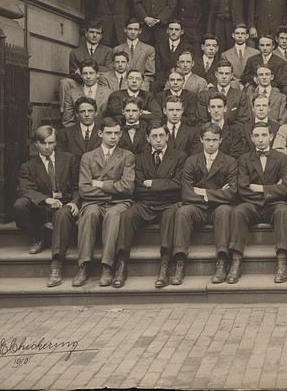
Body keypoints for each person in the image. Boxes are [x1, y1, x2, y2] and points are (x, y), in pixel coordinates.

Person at [112, 122, 186, 289]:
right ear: (147, 138)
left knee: (170, 216)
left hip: (169, 203)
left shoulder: (179, 156)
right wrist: (163, 185)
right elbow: (137, 187)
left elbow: (178, 185)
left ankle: (165, 264)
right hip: (145, 203)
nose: (158, 140)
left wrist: (151, 183)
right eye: (154, 136)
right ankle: (121, 263)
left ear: (167, 136)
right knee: (127, 215)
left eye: (161, 136)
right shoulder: (140, 158)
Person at [172, 123, 239, 285]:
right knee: (182, 212)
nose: (211, 144)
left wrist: (203, 192)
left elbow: (232, 193)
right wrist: (218, 193)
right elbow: (186, 193)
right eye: (207, 139)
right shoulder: (191, 161)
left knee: (225, 211)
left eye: (214, 140)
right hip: (197, 208)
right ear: (201, 139)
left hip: (218, 208)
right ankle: (180, 261)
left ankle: (222, 260)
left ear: (220, 140)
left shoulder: (229, 162)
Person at [14, 126, 80, 287]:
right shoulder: (28, 166)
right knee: (20, 204)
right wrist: (45, 199)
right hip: (42, 208)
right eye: (43, 143)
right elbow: (25, 189)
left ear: (56, 142)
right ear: (35, 144)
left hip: (65, 204)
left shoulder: (69, 159)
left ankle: (56, 265)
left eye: (51, 142)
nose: (47, 147)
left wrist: (75, 202)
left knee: (63, 214)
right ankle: (39, 237)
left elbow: (79, 186)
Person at [227, 123, 287, 284]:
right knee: (238, 211)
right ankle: (236, 261)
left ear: (271, 137)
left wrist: (259, 188)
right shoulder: (244, 159)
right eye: (256, 136)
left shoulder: (282, 158)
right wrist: (271, 190)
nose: (260, 139)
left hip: (275, 205)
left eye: (264, 135)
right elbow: (242, 188)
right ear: (251, 138)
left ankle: (282, 261)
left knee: (283, 212)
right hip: (252, 204)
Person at [73, 118, 135, 287]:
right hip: (96, 202)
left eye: (116, 133)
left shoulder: (127, 156)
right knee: (90, 213)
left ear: (121, 134)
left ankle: (107, 266)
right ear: (100, 133)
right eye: (109, 133)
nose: (113, 137)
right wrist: (112, 191)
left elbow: (127, 187)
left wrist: (100, 184)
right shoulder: (88, 157)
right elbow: (84, 189)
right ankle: (83, 265)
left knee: (113, 215)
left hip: (119, 203)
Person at [60, 22, 114, 107]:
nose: (95, 35)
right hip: (81, 82)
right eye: (92, 32)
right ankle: (64, 110)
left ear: (101, 36)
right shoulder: (75, 52)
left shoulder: (108, 51)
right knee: (65, 82)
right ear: (86, 33)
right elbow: (73, 73)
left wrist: (88, 69)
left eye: (98, 33)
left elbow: (109, 69)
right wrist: (82, 74)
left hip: (100, 82)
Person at [197, 60, 251, 125]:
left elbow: (242, 122)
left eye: (227, 73)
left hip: (233, 134)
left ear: (231, 76)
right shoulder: (204, 96)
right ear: (216, 74)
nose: (224, 77)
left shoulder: (241, 96)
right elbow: (202, 122)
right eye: (221, 73)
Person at [61, 59, 112, 127]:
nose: (88, 77)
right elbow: (67, 122)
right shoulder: (71, 94)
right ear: (81, 75)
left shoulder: (108, 93)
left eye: (91, 73)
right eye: (85, 73)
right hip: (78, 134)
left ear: (97, 74)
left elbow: (110, 119)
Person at [200, 92, 251, 159]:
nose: (216, 110)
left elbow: (235, 155)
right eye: (213, 107)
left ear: (225, 109)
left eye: (219, 107)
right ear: (208, 109)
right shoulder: (201, 130)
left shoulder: (235, 131)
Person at [115, 18, 155, 91]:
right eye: (130, 29)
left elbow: (149, 73)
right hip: (122, 87)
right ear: (125, 30)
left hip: (142, 86)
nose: (133, 32)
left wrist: (142, 86)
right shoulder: (117, 49)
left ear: (140, 31)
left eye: (136, 29)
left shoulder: (148, 49)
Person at [155, 20, 193, 88]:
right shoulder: (159, 46)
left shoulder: (188, 48)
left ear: (182, 32)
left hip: (180, 80)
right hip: (162, 81)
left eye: (177, 29)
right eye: (171, 29)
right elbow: (158, 68)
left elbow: (188, 68)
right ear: (167, 31)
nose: (174, 32)